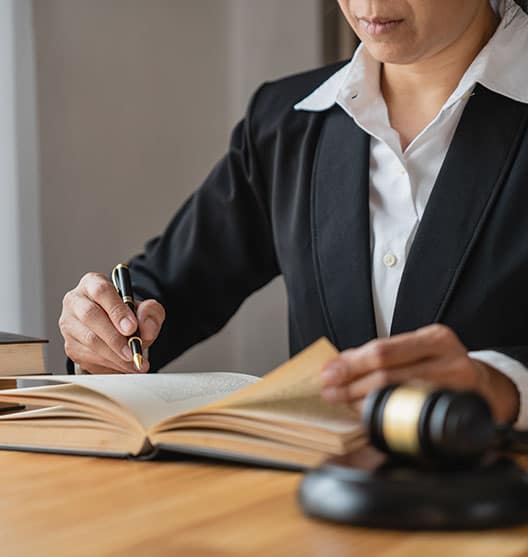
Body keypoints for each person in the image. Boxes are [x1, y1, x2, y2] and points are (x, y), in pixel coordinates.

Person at [58, 0, 528, 428]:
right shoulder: (287, 122)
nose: (368, 3)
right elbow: (168, 290)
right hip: (319, 502)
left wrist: (499, 384)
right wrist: (102, 333)